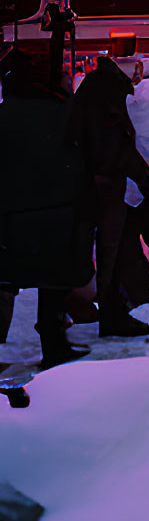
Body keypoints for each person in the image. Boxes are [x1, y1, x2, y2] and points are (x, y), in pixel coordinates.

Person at [0, 52, 93, 368]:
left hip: (12, 215)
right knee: (53, 285)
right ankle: (54, 348)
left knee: (5, 284)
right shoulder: (64, 111)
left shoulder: (4, 113)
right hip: (60, 213)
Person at [65, 56, 149, 339]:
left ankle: (98, 311)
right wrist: (145, 178)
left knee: (98, 255)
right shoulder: (108, 102)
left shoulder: (89, 96)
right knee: (109, 257)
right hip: (106, 192)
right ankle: (111, 316)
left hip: (86, 190)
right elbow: (116, 150)